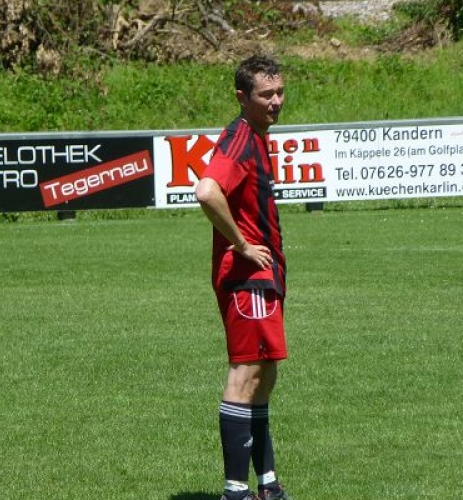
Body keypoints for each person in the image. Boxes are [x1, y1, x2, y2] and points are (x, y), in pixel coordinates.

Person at [195, 55, 291, 500]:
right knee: (245, 374)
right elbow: (206, 191)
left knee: (263, 375)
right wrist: (242, 245)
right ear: (242, 97)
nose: (276, 101)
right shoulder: (238, 138)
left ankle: (267, 486)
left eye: (280, 92)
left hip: (262, 278)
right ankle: (235, 492)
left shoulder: (256, 136)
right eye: (265, 94)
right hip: (247, 278)